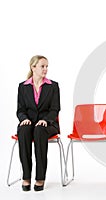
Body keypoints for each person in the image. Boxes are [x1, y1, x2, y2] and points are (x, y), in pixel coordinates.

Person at [17, 55, 60, 192]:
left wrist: (46, 120)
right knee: (23, 130)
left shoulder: (53, 86)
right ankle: (26, 177)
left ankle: (40, 177)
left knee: (40, 130)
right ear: (33, 67)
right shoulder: (23, 87)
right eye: (42, 66)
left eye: (47, 66)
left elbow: (55, 109)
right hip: (29, 123)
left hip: (48, 124)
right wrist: (23, 118)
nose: (45, 69)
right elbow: (20, 109)